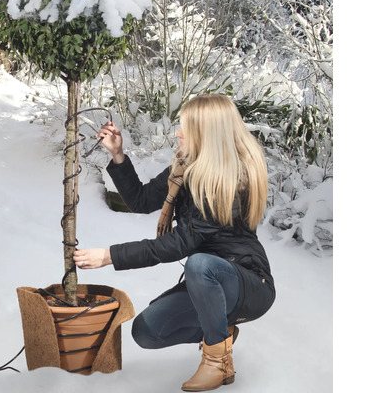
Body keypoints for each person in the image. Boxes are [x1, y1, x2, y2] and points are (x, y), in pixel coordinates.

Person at [73, 94, 275, 392]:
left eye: (186, 128)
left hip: (247, 284)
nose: (178, 133)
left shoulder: (229, 183)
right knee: (146, 332)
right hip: (207, 285)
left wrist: (110, 256)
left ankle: (217, 363)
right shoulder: (185, 169)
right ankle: (221, 331)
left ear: (208, 134)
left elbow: (178, 245)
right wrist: (118, 155)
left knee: (200, 263)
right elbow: (141, 200)